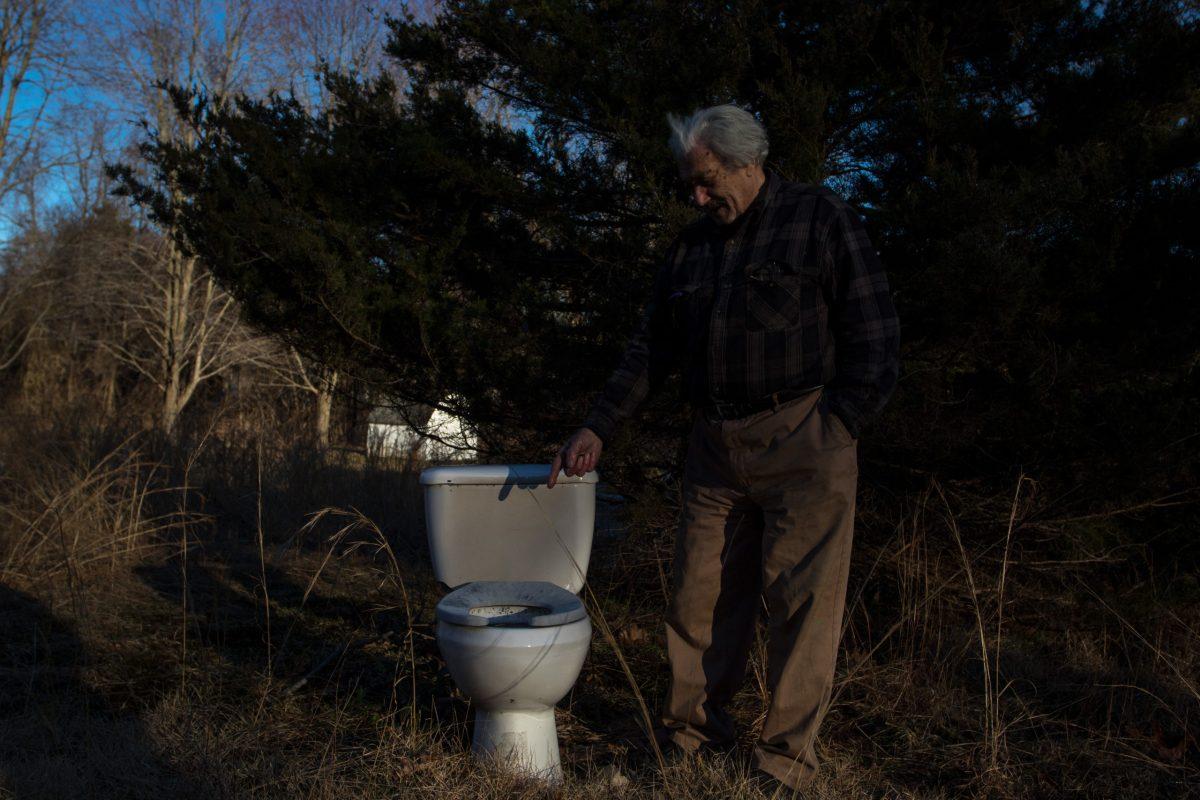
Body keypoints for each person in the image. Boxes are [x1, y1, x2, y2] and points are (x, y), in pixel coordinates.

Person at [549, 104, 900, 792]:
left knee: (803, 605)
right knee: (697, 595)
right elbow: (651, 349)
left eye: (707, 181)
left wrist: (838, 427)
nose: (697, 196)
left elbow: (876, 332)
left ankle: (785, 763)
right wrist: (598, 426)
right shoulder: (691, 249)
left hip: (804, 439)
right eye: (691, 184)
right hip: (714, 448)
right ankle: (692, 739)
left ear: (746, 162)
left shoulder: (818, 219)